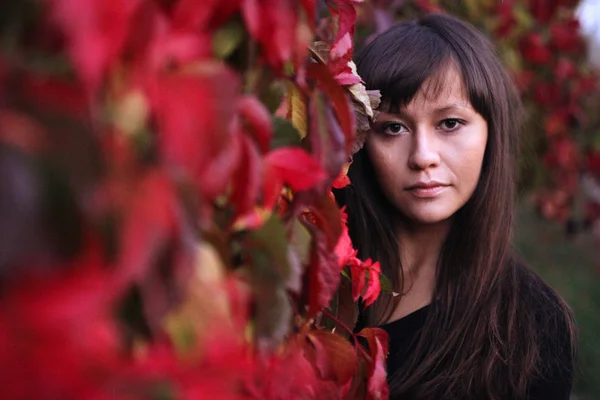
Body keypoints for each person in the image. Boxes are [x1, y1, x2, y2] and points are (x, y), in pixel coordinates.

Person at [335, 13, 576, 400]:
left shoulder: (531, 327)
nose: (423, 156)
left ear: (490, 133)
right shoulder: (319, 267)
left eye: (449, 123)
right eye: (393, 127)